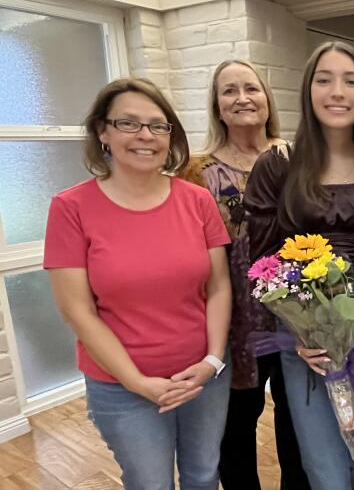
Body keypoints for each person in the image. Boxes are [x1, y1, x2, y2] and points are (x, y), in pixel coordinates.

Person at [44, 78, 232, 490]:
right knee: (151, 484)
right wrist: (136, 381)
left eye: (157, 125)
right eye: (129, 123)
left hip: (203, 375)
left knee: (204, 475)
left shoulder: (197, 200)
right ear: (103, 132)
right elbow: (77, 311)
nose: (145, 136)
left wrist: (213, 360)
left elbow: (219, 287)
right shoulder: (70, 208)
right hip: (122, 386)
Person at [245, 41, 354, 490]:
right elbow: (260, 261)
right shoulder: (278, 165)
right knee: (324, 469)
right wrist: (299, 323)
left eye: (350, 81)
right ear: (308, 91)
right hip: (302, 337)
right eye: (324, 79)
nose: (337, 91)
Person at [179, 59, 309, 489]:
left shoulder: (299, 158)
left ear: (267, 99)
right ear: (217, 106)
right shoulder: (195, 172)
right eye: (229, 91)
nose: (241, 98)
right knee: (236, 427)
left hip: (297, 317)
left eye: (250, 88)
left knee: (298, 422)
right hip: (231, 320)